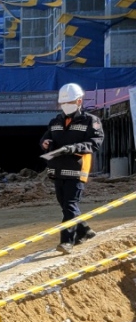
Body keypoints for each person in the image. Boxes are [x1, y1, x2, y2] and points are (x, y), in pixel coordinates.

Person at [41, 83, 104, 254]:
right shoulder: (55, 121)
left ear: (79, 101)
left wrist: (74, 148)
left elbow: (95, 143)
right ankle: (85, 231)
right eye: (63, 103)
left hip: (76, 170)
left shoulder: (91, 121)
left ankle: (67, 241)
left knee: (70, 204)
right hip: (57, 170)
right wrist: (45, 143)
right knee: (66, 206)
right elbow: (46, 138)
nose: (65, 106)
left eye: (69, 102)